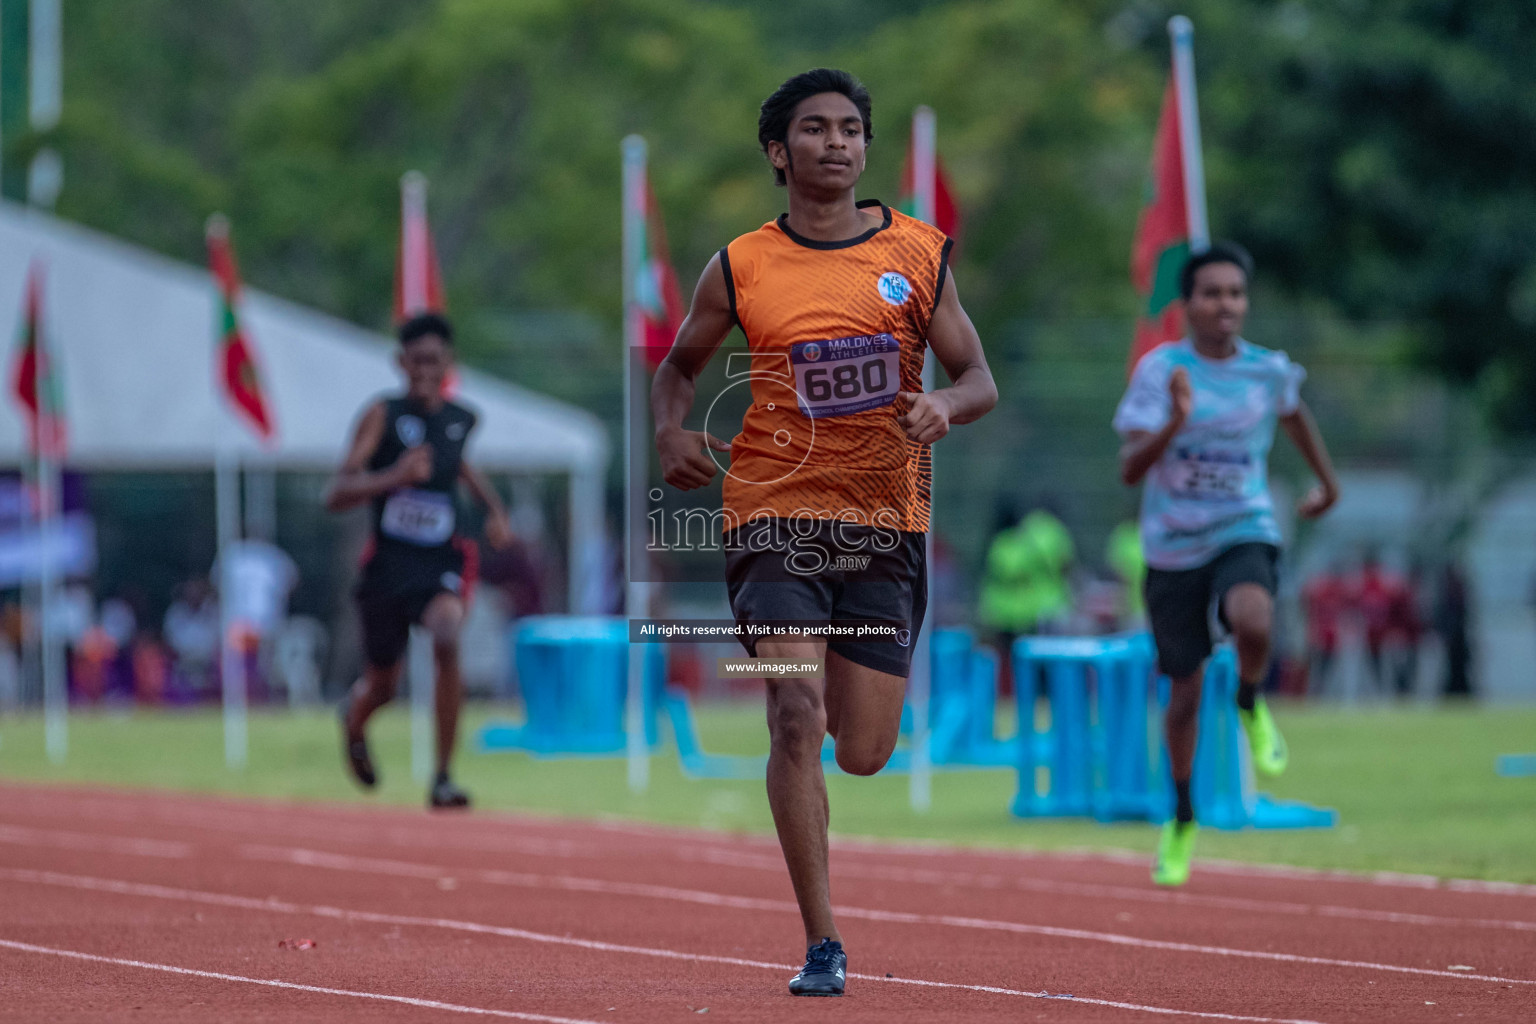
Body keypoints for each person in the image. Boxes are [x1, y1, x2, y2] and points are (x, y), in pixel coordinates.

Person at [652, 68, 996, 996]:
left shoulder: (920, 254)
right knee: (793, 711)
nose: (837, 142)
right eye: (815, 128)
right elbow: (679, 365)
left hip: (885, 524)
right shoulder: (739, 264)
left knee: (864, 751)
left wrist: (943, 406)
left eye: (851, 128)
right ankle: (823, 944)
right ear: (779, 151)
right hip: (771, 514)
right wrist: (670, 428)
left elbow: (979, 379)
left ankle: (845, 717)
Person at [1113, 241, 1340, 887]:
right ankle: (1183, 816)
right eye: (1212, 293)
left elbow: (1296, 418)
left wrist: (1327, 483)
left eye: (1235, 293)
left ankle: (1249, 700)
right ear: (1187, 305)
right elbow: (1130, 468)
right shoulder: (1161, 371)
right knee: (1182, 693)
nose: (1226, 305)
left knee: (1256, 620)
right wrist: (1176, 421)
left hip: (1244, 525)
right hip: (1172, 545)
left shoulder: (1267, 372)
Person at [325, 312, 513, 809]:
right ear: (400, 362)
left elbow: (462, 466)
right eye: (417, 360)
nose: (426, 370)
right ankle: (355, 718)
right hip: (387, 568)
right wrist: (394, 477)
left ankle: (443, 777)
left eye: (436, 360)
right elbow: (337, 491)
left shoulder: (459, 419)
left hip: (439, 563)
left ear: (449, 363)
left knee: (448, 635)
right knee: (384, 685)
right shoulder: (381, 416)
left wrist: (494, 511)